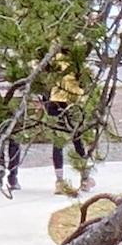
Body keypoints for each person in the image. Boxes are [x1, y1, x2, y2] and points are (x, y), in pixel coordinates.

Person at [45, 53, 95, 197]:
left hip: (57, 100)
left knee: (60, 142)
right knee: (76, 140)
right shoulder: (76, 55)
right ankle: (82, 177)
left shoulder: (54, 56)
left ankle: (61, 180)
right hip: (72, 101)